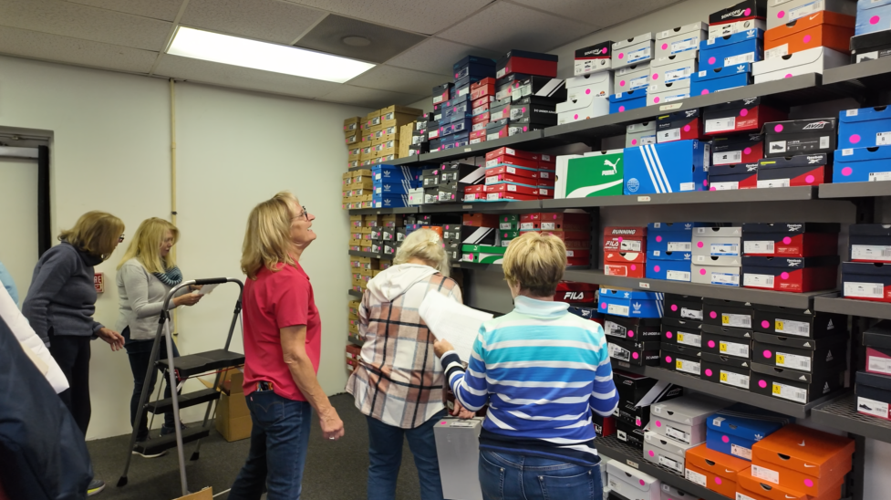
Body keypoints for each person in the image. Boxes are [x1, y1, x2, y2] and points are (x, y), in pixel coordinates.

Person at [433, 232, 619, 500]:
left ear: (514, 281)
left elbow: (470, 400)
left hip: (499, 461)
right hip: (568, 464)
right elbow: (606, 406)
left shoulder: (491, 332)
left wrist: (449, 357)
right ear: (557, 278)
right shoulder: (591, 333)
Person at [229, 191, 344, 500]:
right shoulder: (289, 280)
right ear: (282, 230)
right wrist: (327, 409)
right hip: (283, 397)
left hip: (260, 394)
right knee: (284, 489)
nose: (311, 217)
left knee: (255, 472)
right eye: (302, 213)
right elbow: (294, 355)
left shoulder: (261, 273)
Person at [346, 228, 472, 500]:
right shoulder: (445, 287)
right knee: (431, 469)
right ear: (438, 257)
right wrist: (464, 391)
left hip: (376, 388)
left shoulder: (377, 282)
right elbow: (456, 346)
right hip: (423, 396)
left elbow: (364, 333)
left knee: (381, 465)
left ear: (405, 250)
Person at [22, 210, 127, 497]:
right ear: (101, 236)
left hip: (77, 339)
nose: (119, 242)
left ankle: (72, 472)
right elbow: (35, 303)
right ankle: (61, 479)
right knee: (64, 411)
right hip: (58, 342)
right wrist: (42, 350)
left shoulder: (84, 261)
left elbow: (70, 307)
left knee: (80, 408)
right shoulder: (64, 256)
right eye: (117, 236)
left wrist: (97, 328)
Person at [115, 217, 203, 456]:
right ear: (153, 239)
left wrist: (189, 291)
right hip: (140, 334)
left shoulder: (162, 268)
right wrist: (178, 300)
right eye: (166, 240)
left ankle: (169, 425)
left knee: (178, 376)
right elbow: (140, 308)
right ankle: (139, 440)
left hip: (160, 332)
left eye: (172, 240)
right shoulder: (133, 267)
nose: (170, 245)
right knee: (145, 386)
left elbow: (162, 296)